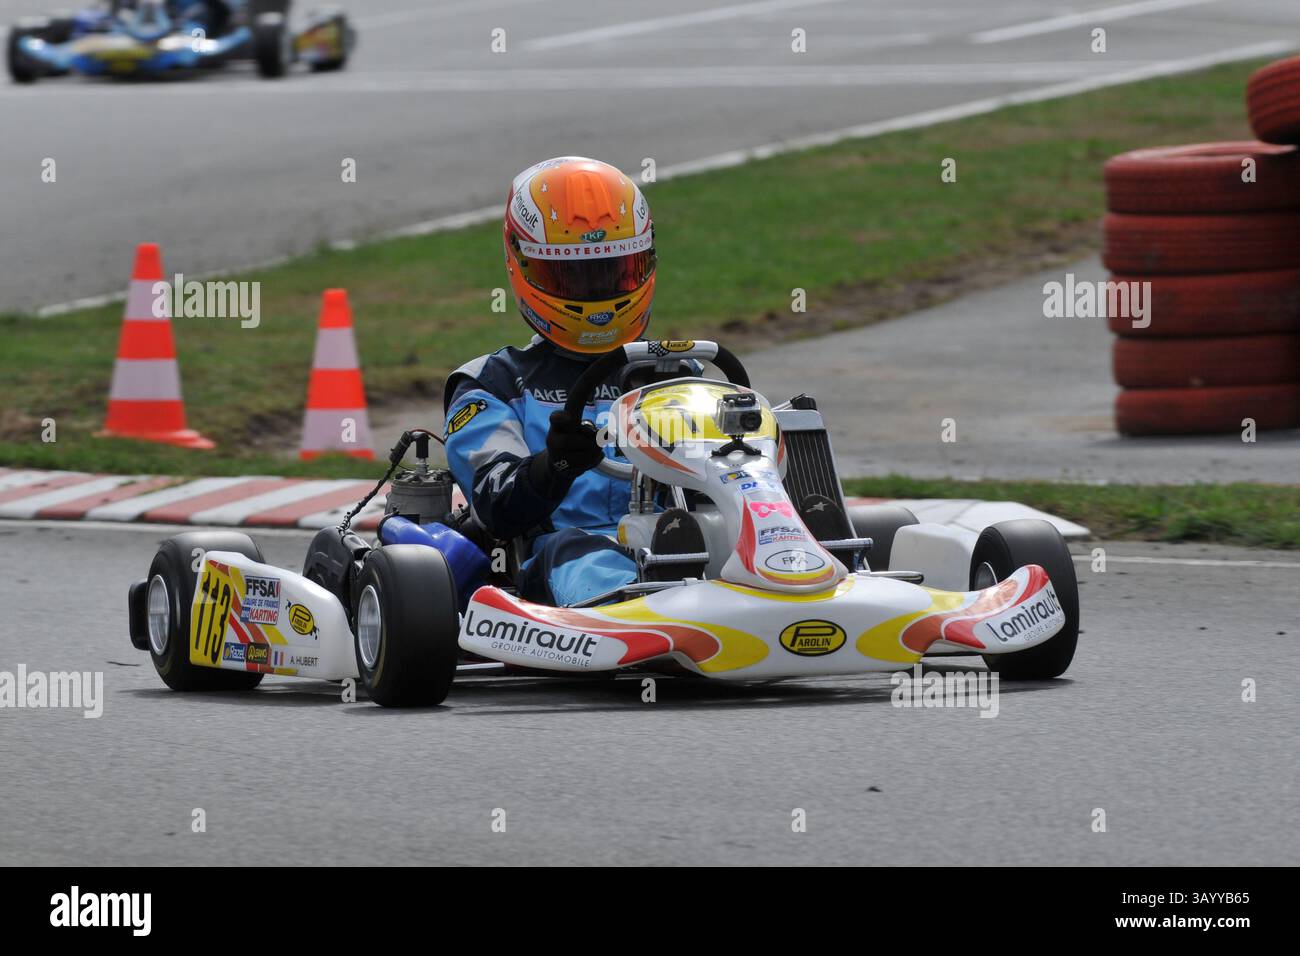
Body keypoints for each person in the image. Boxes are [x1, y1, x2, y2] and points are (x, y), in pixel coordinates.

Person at [443, 156, 701, 607]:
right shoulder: (494, 384)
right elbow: (497, 509)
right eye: (572, 276)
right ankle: (630, 605)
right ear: (523, 267)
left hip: (677, 540)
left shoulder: (677, 373)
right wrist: (555, 466)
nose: (597, 293)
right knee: (580, 552)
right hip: (554, 556)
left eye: (612, 273)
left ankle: (803, 567)